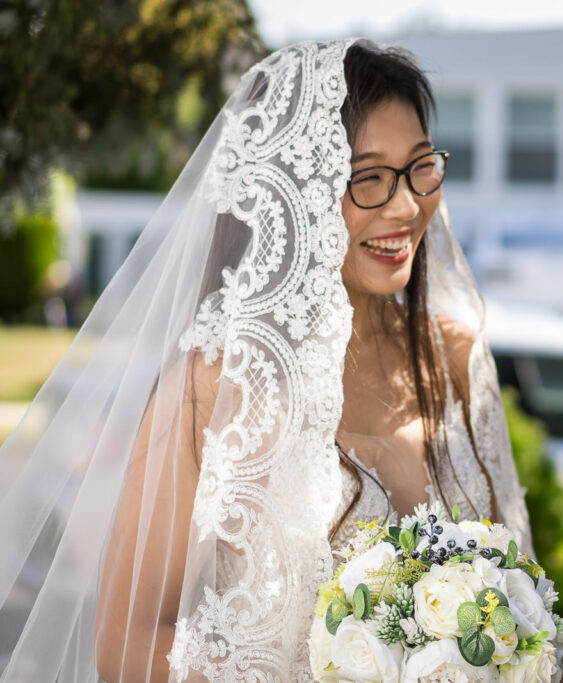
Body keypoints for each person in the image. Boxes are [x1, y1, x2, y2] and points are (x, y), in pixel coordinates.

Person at [0, 39, 530, 682]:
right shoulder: (216, 389)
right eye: (367, 179)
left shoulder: (456, 353)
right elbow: (127, 641)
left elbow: (511, 583)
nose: (407, 206)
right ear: (294, 192)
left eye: (421, 166)